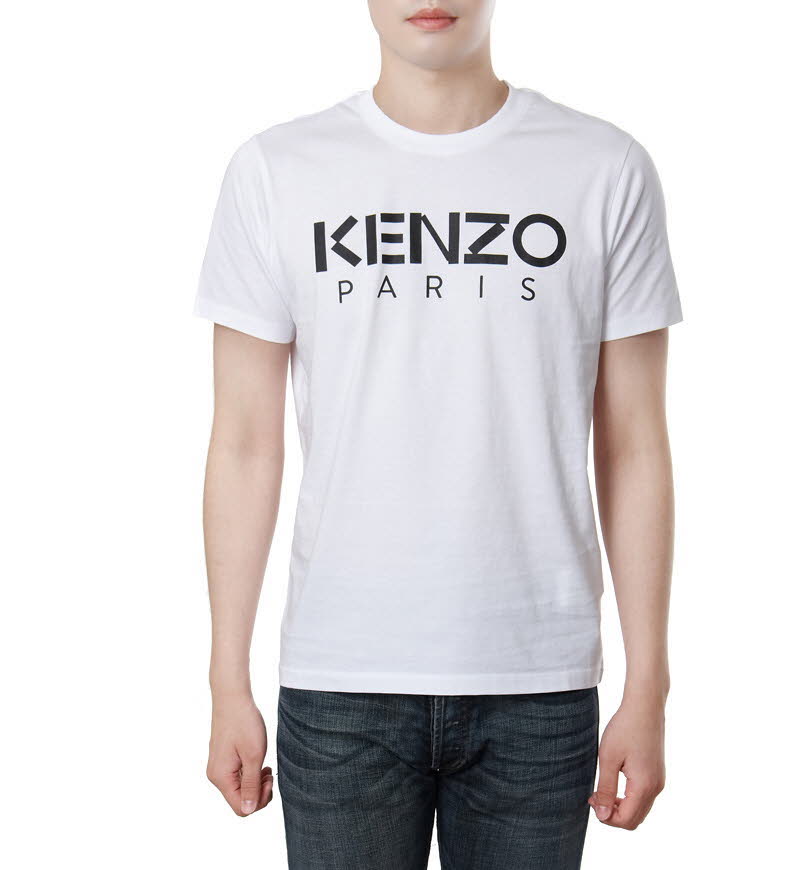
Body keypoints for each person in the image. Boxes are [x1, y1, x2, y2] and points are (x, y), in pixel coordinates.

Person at [195, 1, 682, 867]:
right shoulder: (278, 170)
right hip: (341, 680)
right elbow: (243, 441)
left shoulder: (603, 168)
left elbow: (634, 444)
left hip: (536, 682)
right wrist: (224, 677)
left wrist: (650, 687)